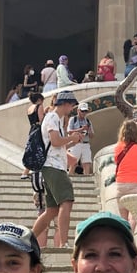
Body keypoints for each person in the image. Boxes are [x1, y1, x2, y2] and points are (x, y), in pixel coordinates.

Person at [31, 90, 84, 248]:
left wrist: (73, 141)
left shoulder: (54, 119)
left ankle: (30, 240)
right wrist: (72, 138)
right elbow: (55, 141)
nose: (72, 109)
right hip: (54, 167)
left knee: (51, 210)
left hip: (52, 166)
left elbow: (57, 144)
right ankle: (64, 242)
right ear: (66, 104)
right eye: (72, 105)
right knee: (66, 202)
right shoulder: (53, 118)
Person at [113, 119, 137, 229]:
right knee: (134, 217)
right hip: (136, 184)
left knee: (123, 218)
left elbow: (116, 162)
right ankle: (131, 239)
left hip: (121, 184)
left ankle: (124, 238)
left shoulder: (118, 147)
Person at [21, 92, 45, 179]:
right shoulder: (39, 106)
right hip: (38, 130)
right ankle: (33, 172)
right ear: (39, 100)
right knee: (39, 151)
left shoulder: (29, 108)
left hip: (32, 130)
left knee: (32, 151)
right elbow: (42, 120)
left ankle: (25, 172)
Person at [67, 102, 94, 175]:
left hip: (86, 143)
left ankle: (87, 179)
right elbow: (69, 131)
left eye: (86, 111)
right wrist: (81, 129)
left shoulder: (88, 121)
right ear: (78, 110)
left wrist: (89, 131)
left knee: (87, 163)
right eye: (82, 111)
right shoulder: (73, 119)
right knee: (73, 163)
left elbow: (92, 136)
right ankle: (70, 178)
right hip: (76, 143)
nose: (84, 113)